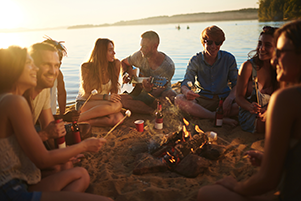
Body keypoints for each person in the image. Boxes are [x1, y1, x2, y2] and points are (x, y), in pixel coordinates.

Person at [197, 20, 301, 201]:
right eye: (261, 44)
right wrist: (280, 161)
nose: (275, 58)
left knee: (205, 193)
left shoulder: (287, 98)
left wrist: (236, 186)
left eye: (281, 51)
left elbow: (267, 181)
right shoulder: (251, 68)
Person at [0, 46, 112, 201]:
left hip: (19, 182)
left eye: (57, 65)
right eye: (29, 63)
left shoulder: (10, 99)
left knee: (80, 175)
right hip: (10, 191)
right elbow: (43, 159)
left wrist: (65, 153)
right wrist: (84, 146)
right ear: (14, 68)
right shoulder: (14, 101)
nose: (35, 68)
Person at [174, 25, 238, 126]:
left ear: (221, 43)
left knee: (243, 104)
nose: (213, 46)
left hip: (224, 100)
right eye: (209, 42)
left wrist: (229, 99)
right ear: (203, 42)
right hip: (202, 100)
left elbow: (236, 84)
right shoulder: (195, 60)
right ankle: (216, 116)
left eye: (217, 43)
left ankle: (203, 114)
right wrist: (187, 92)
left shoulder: (229, 59)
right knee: (179, 99)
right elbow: (186, 82)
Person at [120, 30, 176, 114]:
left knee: (170, 96)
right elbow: (123, 63)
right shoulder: (139, 55)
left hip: (160, 93)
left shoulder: (168, 66)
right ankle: (152, 112)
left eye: (144, 46)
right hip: (140, 91)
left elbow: (157, 92)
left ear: (155, 46)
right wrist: (125, 74)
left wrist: (148, 90)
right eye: (141, 46)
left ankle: (147, 108)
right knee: (120, 99)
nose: (141, 49)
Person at [236, 26, 279, 133]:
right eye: (260, 43)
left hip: (273, 110)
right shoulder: (248, 67)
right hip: (252, 115)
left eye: (267, 45)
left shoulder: (280, 69)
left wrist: (269, 109)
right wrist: (250, 106)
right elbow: (238, 97)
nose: (261, 48)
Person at [76, 38, 124, 127]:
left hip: (104, 104)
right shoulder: (86, 67)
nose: (114, 53)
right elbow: (87, 95)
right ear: (102, 52)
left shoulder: (115, 65)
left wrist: (111, 99)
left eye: (113, 50)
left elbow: (114, 91)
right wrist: (107, 97)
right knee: (117, 106)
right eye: (110, 50)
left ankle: (86, 122)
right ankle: (76, 119)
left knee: (118, 119)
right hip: (85, 103)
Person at [43, 37, 67, 116]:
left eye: (60, 59)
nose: (59, 62)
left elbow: (61, 93)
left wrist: (62, 115)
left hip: (52, 116)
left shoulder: (58, 74)